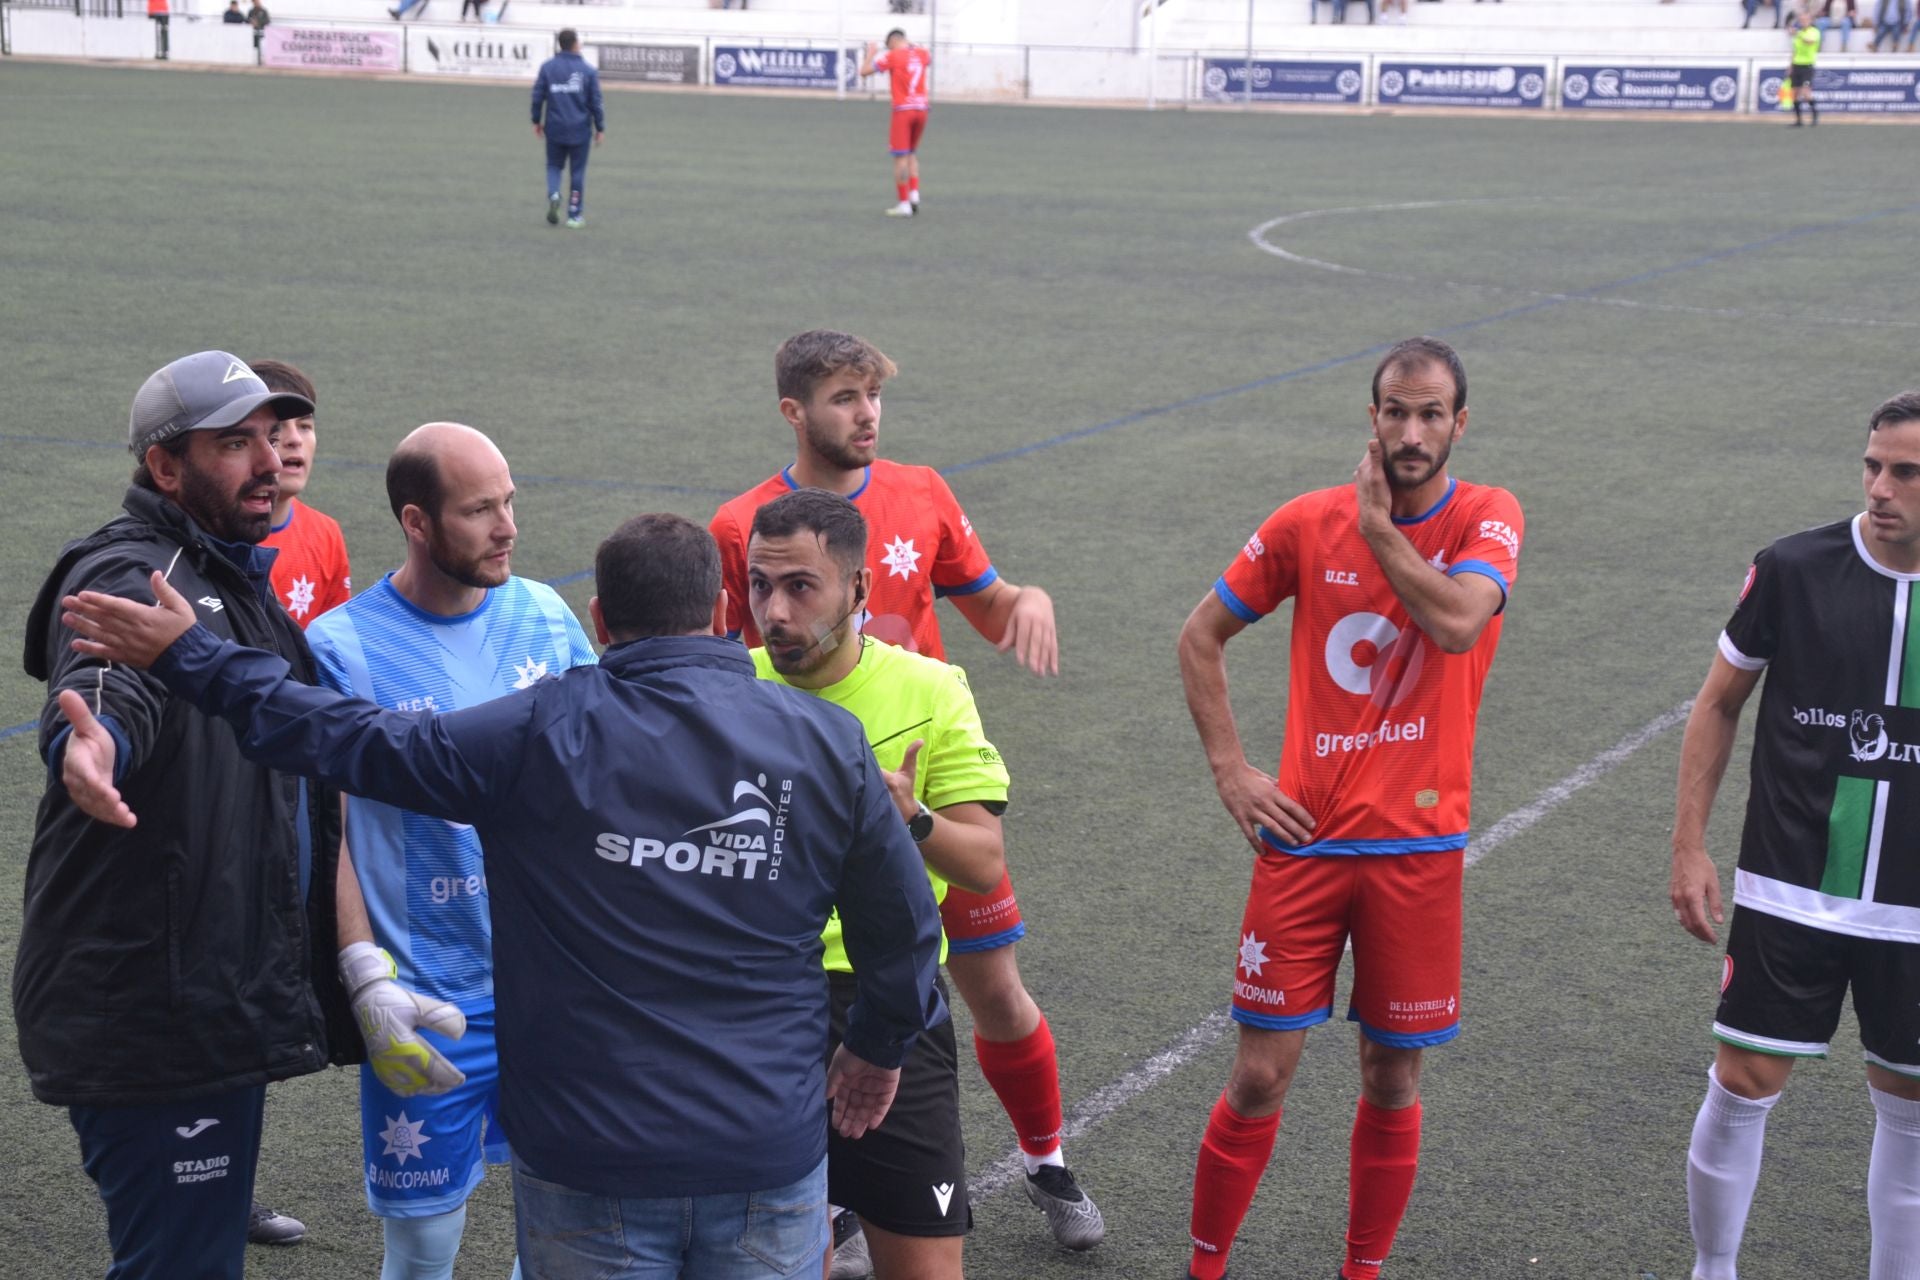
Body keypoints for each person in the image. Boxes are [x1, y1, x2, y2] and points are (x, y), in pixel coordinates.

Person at [58, 512, 948, 1280]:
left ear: (599, 621)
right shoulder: (828, 741)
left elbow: (348, 740)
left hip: (586, 1158)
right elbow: (903, 926)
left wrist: (196, 660)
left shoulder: (538, 730)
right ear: (721, 611)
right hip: (768, 1153)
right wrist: (874, 1048)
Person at [709, 331, 1102, 1268]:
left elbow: (987, 601)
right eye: (845, 398)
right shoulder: (742, 524)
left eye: (872, 396)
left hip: (917, 775)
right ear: (795, 413)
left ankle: (1046, 1162)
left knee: (994, 991)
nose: (867, 414)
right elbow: (734, 660)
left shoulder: (922, 494)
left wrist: (1026, 600)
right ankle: (840, 1201)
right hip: (810, 810)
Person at [1177, 337, 1523, 1280]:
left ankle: (1360, 1273)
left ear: (1460, 423)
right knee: (1258, 1075)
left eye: (1431, 415)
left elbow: (1457, 620)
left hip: (1420, 850)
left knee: (1391, 1073)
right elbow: (1199, 636)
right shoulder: (1304, 521)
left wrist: (1380, 533)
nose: (1412, 433)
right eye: (1395, 412)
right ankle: (1206, 1269)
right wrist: (1233, 771)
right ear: (1372, 418)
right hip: (1306, 846)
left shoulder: (1490, 515)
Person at [14, 350, 358, 1280]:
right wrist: (89, 746)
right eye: (234, 443)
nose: (269, 460)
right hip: (153, 1010)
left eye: (272, 438)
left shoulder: (234, 574)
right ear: (166, 467)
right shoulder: (142, 571)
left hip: (208, 992)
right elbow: (104, 680)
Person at [309, 421, 597, 1280]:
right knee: (425, 1247)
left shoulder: (544, 613)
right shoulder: (342, 649)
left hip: (553, 993)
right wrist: (363, 972)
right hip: (428, 1002)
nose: (508, 526)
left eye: (509, 501)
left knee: (564, 1235)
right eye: (480, 510)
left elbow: (605, 764)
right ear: (417, 522)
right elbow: (331, 834)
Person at [1669, 392, 1920, 1280]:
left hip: (1913, 914)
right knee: (1742, 1085)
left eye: (1905, 472)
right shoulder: (1794, 567)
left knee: (1911, 1110)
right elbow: (1718, 702)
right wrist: (1690, 847)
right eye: (1872, 465)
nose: (1880, 487)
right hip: (1790, 887)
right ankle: (1714, 1270)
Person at [746, 488, 1017, 1279]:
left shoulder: (931, 690)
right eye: (761, 586)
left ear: (860, 589)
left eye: (801, 586)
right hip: (757, 999)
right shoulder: (733, 685)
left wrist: (915, 819)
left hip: (890, 1001)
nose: (776, 611)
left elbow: (984, 861)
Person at [254, 359, 350, 629]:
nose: (295, 439)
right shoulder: (213, 537)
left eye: (305, 426)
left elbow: (332, 644)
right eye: (279, 427)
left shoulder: (326, 534)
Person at [530, 29, 604, 230]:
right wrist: (600, 127)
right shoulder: (588, 71)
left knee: (554, 166)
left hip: (555, 128)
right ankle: (574, 215)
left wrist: (536, 120)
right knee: (577, 171)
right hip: (580, 129)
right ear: (575, 44)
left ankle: (554, 193)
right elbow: (596, 102)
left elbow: (537, 96)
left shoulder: (547, 68)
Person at [858, 30, 930, 218]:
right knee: (912, 153)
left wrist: (871, 53)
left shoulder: (893, 56)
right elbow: (923, 57)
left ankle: (904, 204)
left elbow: (864, 72)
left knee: (900, 158)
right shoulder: (922, 53)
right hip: (922, 109)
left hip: (903, 111)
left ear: (893, 42)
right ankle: (914, 194)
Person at [1787, 6, 1822, 124]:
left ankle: (1815, 115)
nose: (1803, 22)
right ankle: (1798, 120)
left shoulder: (1814, 32)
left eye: (1805, 20)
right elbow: (1795, 51)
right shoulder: (1799, 33)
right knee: (1794, 94)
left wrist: (1797, 34)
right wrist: (1790, 66)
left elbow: (1809, 41)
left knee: (1806, 92)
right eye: (1801, 20)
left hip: (1807, 66)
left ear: (1810, 20)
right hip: (1797, 65)